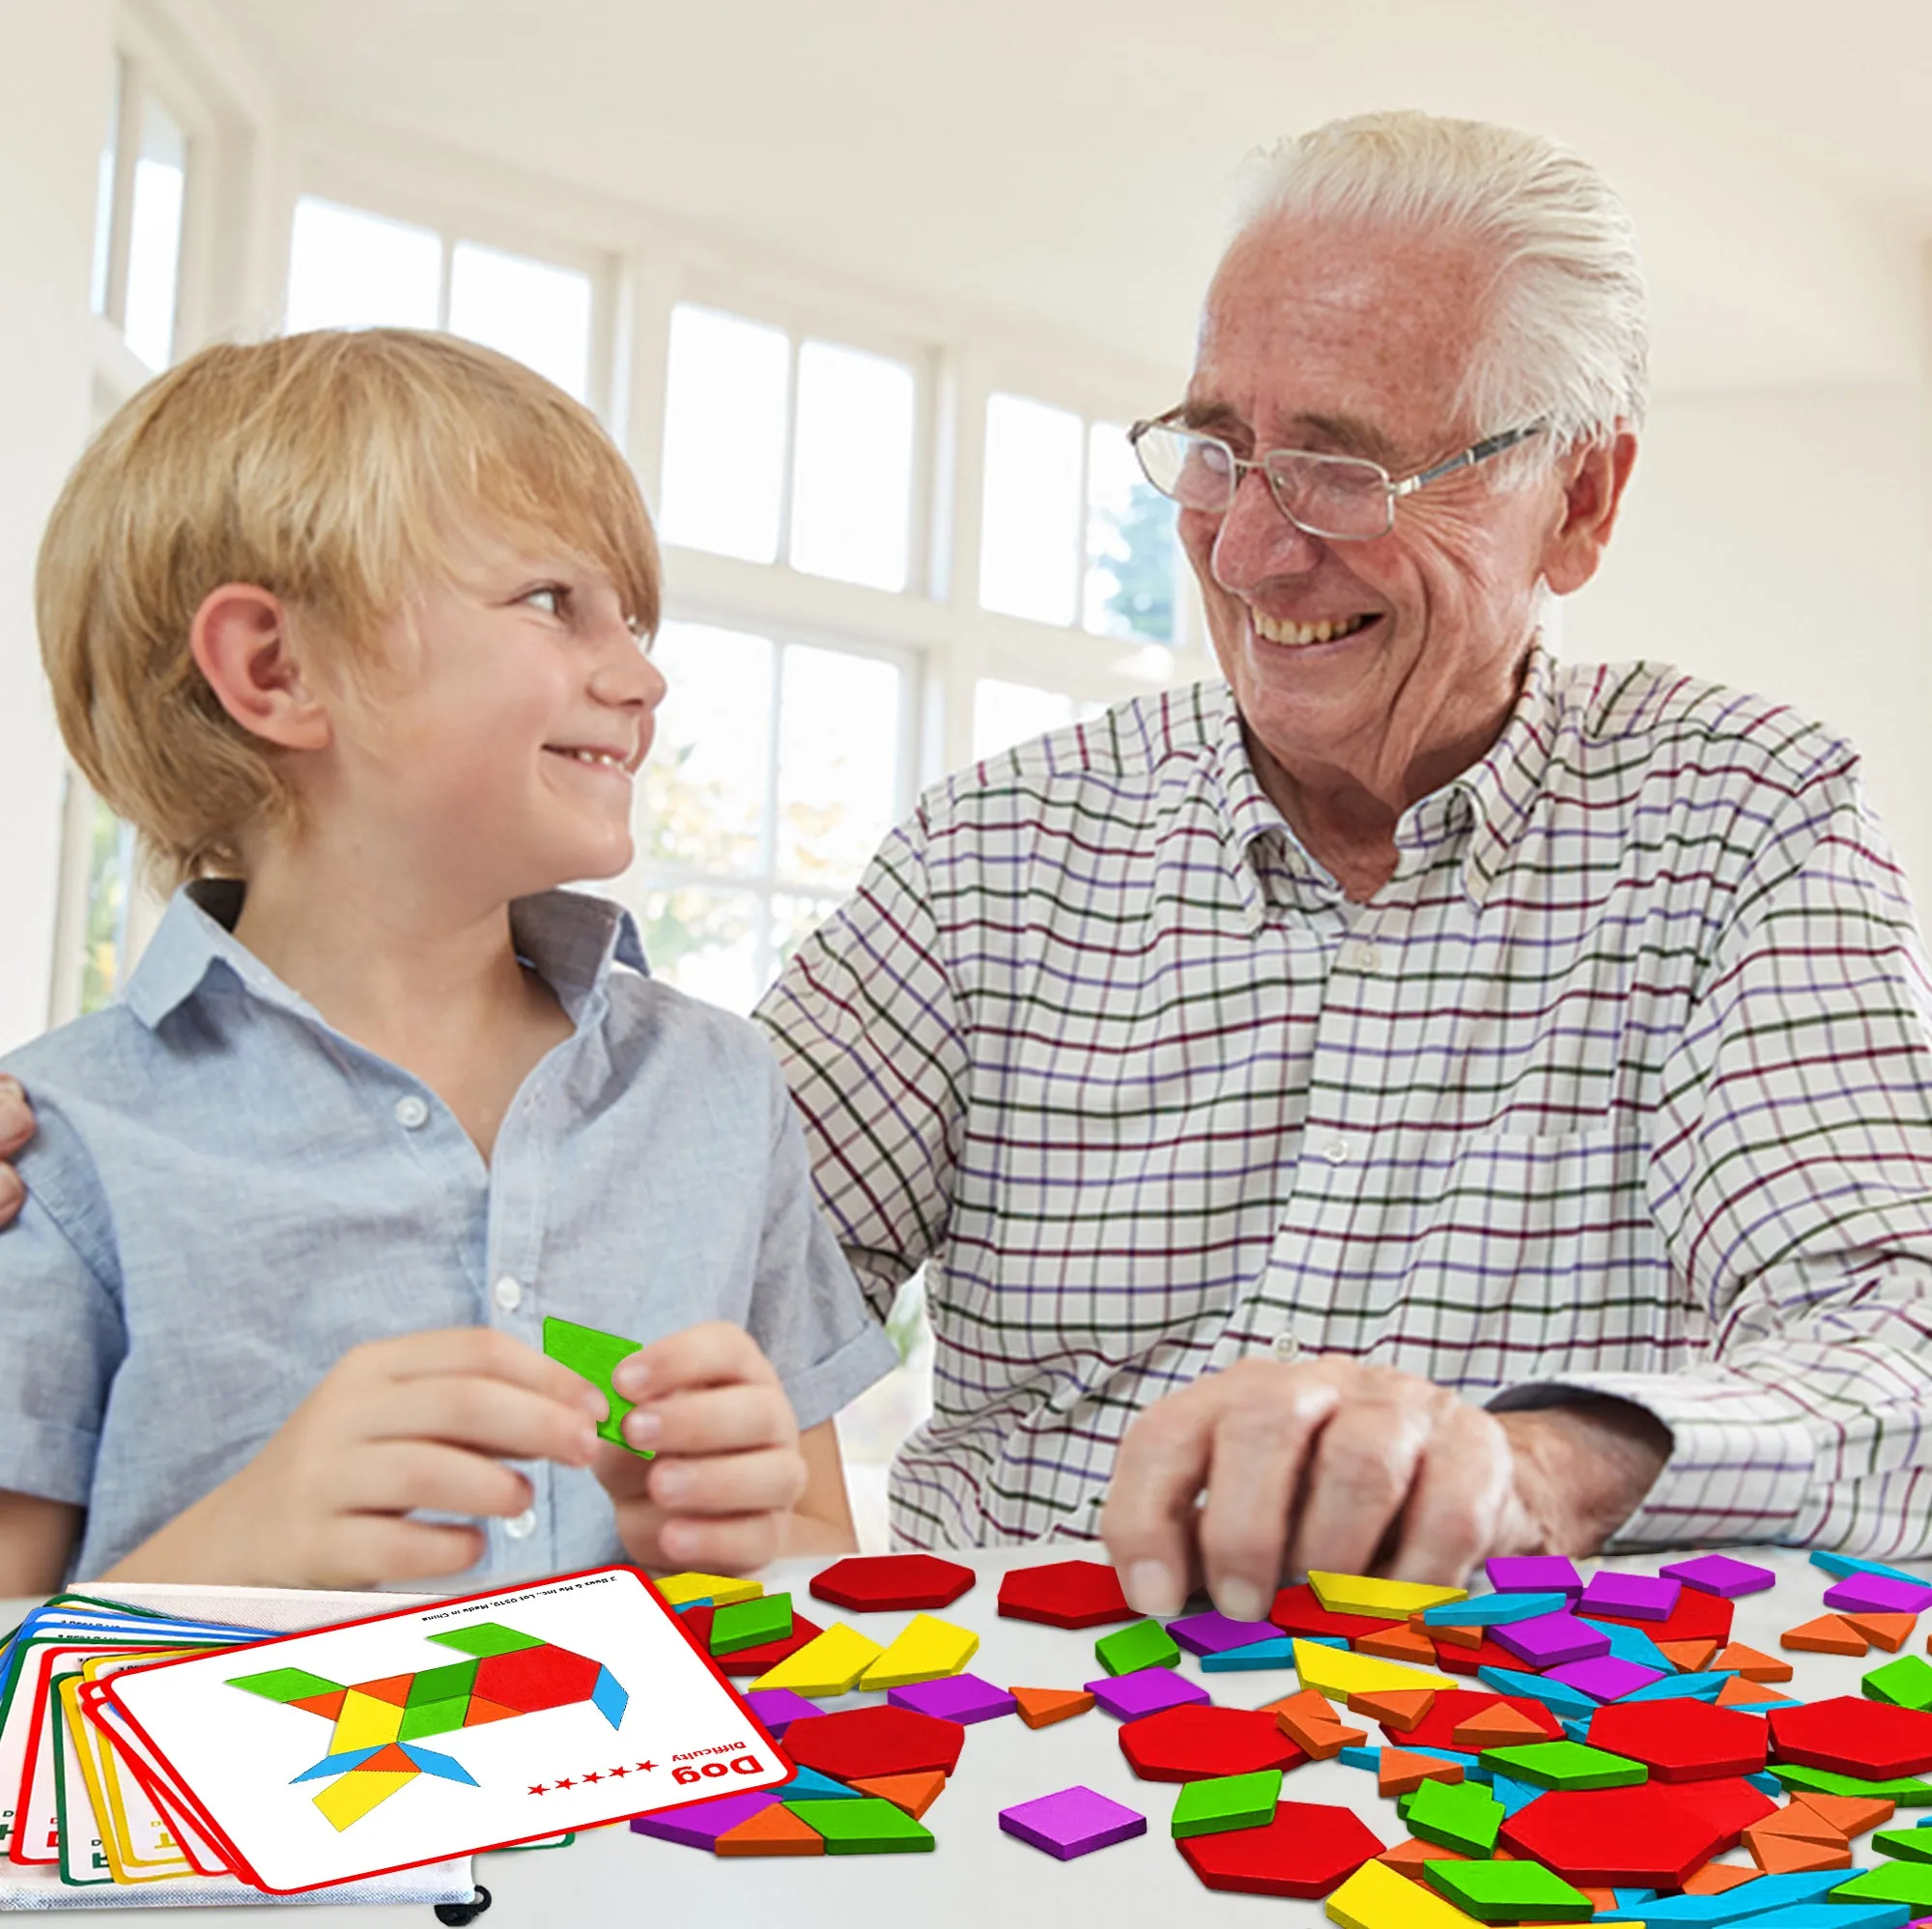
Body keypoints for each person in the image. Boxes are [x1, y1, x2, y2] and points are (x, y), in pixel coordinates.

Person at [753, 111, 1932, 1613]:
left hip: (1519, 1770)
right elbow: (699, 1292)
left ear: (1577, 504)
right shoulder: (991, 855)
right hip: (1011, 1752)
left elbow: (1898, 1355)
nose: (1247, 555)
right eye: (1220, 455)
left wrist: (1537, 1466)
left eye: (1342, 470)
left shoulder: (1745, 821)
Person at [0, 328, 895, 1595]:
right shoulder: (53, 1155)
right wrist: (221, 1559)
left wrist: (746, 1544)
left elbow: (824, 1562)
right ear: (275, 668)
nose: (642, 675)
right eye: (552, 602)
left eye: (632, 618)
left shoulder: (716, 1089)